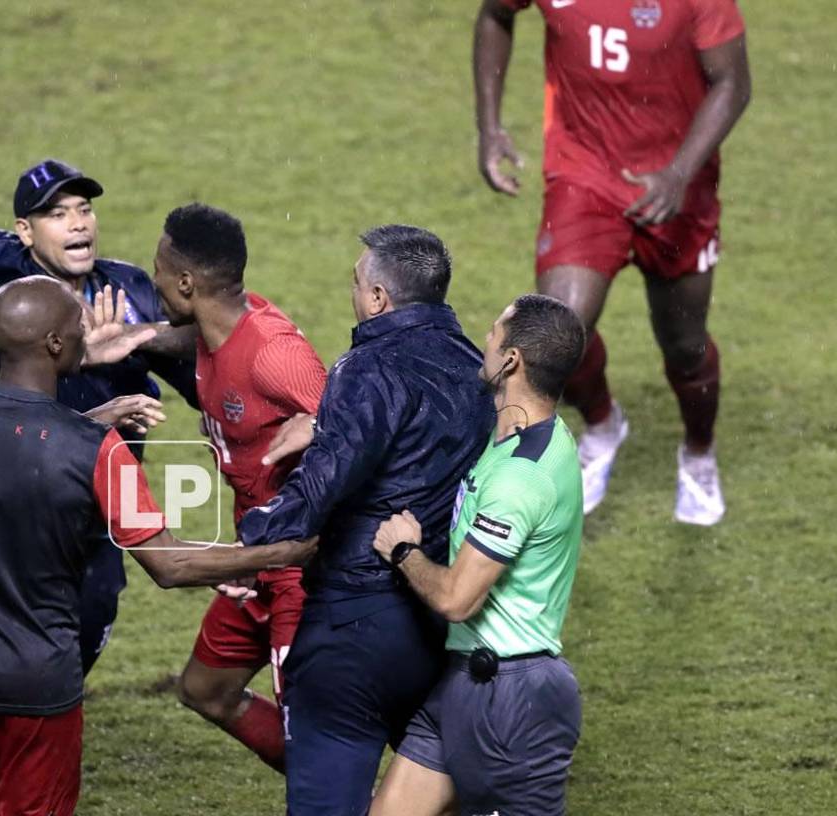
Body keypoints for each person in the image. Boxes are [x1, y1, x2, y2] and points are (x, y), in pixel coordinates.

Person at [0, 276, 316, 816]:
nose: (88, 334)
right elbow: (168, 563)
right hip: (38, 688)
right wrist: (280, 553)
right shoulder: (99, 453)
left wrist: (82, 423)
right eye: (79, 326)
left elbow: (7, 439)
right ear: (55, 344)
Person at [237, 225, 495, 815]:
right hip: (438, 622)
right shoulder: (478, 371)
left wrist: (251, 535)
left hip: (353, 628)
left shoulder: (367, 366)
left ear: (378, 298)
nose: (352, 293)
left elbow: (324, 486)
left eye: (357, 283)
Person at [473, 0, 751, 524]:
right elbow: (495, 14)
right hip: (584, 173)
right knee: (556, 333)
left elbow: (733, 82)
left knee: (685, 344)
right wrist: (489, 127)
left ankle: (698, 452)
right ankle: (603, 424)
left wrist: (679, 172)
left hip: (678, 181)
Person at [0, 158, 200, 678]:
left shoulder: (126, 288)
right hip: (22, 491)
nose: (79, 223)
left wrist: (148, 337)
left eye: (84, 210)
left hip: (103, 498)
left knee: (90, 615)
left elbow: (195, 373)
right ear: (25, 231)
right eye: (57, 215)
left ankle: (41, 723)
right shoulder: (13, 301)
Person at [367, 293, 587, 816]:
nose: (482, 340)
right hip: (465, 682)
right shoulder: (522, 433)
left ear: (512, 360)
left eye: (492, 332)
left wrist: (403, 552)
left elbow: (458, 599)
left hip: (510, 700)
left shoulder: (521, 477)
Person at [150, 204, 327, 772]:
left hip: (302, 564)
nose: (151, 278)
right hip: (256, 557)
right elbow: (195, 344)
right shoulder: (215, 330)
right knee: (206, 688)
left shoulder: (276, 355)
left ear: (185, 283)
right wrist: (128, 338)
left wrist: (326, 423)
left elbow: (360, 431)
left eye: (158, 268)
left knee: (323, 730)